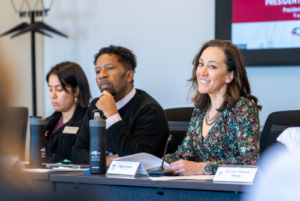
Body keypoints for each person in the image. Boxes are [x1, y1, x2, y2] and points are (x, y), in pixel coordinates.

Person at [165, 39, 262, 175]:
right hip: (204, 187)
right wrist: (153, 163)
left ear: (229, 76)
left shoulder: (243, 108)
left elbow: (250, 161)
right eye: (201, 64)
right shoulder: (200, 111)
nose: (202, 72)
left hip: (231, 191)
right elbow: (184, 154)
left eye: (212, 67)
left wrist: (201, 168)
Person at [71, 45, 169, 165]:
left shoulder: (149, 110)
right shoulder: (95, 106)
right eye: (98, 71)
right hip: (99, 179)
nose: (102, 75)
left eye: (110, 68)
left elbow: (139, 159)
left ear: (129, 76)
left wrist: (112, 115)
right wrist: (108, 160)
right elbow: (76, 153)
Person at [45, 62, 91, 163]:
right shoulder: (48, 122)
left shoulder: (89, 120)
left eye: (59, 89)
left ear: (76, 91)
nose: (53, 95)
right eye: (50, 89)